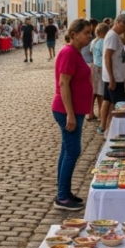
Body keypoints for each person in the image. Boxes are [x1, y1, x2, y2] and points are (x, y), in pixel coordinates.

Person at [52, 19, 94, 211]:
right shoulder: (69, 52)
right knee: (73, 151)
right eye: (86, 33)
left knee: (67, 150)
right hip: (67, 110)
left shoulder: (75, 52)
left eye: (90, 32)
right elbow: (63, 84)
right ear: (74, 34)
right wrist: (70, 114)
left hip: (74, 110)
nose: (89, 36)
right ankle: (62, 197)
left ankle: (64, 192)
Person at [101, 14, 125, 135]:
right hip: (115, 77)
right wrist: (112, 78)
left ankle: (106, 128)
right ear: (118, 22)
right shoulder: (113, 36)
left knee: (108, 101)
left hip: (115, 76)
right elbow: (107, 56)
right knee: (120, 106)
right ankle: (115, 130)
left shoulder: (115, 36)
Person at [90, 23, 108, 128]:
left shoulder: (94, 41)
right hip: (101, 68)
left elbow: (91, 51)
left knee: (94, 91)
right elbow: (106, 55)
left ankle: (90, 112)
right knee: (101, 92)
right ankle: (101, 115)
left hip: (94, 66)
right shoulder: (103, 42)